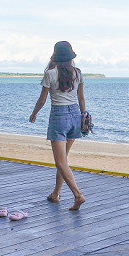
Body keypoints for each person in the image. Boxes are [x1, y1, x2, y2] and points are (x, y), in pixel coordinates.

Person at [29, 40, 87, 211]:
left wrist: (34, 114)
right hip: (75, 115)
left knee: (61, 162)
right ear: (70, 56)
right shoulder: (78, 72)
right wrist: (83, 116)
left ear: (56, 56)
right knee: (63, 161)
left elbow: (42, 99)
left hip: (59, 116)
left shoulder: (50, 73)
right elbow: (81, 98)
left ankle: (78, 195)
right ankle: (55, 194)